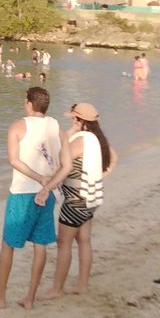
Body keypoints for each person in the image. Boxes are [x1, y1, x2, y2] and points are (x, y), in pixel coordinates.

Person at [0, 86, 63, 310]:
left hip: (23, 191)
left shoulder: (18, 126)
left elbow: (14, 160)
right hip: (47, 191)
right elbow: (61, 157)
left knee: (8, 244)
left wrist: (38, 177)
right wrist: (49, 181)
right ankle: (30, 298)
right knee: (40, 244)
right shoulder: (55, 126)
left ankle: (0, 297)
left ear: (29, 103)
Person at [42, 102, 118, 298]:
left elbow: (59, 157)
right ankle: (82, 285)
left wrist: (47, 187)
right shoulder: (98, 139)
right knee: (84, 240)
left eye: (74, 118)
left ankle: (57, 289)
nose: (72, 121)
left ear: (81, 120)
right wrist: (98, 176)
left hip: (76, 200)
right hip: (91, 198)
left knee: (63, 243)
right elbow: (114, 158)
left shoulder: (80, 141)